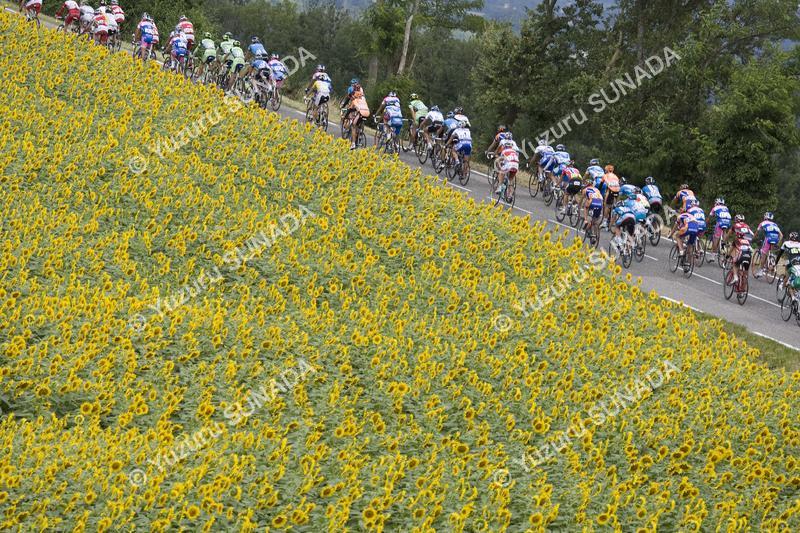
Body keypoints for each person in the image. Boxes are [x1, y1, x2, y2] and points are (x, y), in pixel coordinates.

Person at [725, 214, 754, 284]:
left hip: (741, 249)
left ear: (736, 220)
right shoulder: (747, 226)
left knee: (735, 263)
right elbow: (752, 235)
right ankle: (743, 290)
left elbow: (728, 234)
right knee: (745, 272)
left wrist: (724, 241)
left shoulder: (735, 227)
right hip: (749, 250)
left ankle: (735, 277)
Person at [754, 212, 783, 278]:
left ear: (765, 217)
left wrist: (753, 238)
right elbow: (781, 235)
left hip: (768, 238)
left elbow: (757, 232)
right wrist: (778, 243)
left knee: (764, 254)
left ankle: (761, 271)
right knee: (770, 251)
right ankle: (771, 257)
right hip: (775, 238)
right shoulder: (775, 224)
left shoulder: (762, 223)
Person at [345, 81, 369, 149]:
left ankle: (353, 143)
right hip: (367, 112)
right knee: (359, 122)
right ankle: (360, 133)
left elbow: (350, 109)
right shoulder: (363, 97)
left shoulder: (354, 99)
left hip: (360, 113)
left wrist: (345, 116)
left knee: (353, 125)